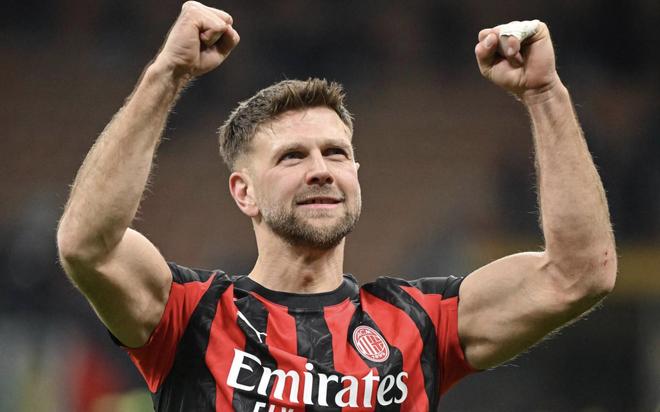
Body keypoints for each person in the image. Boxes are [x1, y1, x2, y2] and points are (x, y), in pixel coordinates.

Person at [56, 2, 617, 411]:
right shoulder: (192, 316)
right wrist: (167, 74)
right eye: (292, 156)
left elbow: (579, 274)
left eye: (336, 152)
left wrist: (545, 95)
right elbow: (87, 246)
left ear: (355, 175)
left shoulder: (420, 324)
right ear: (244, 192)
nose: (321, 168)